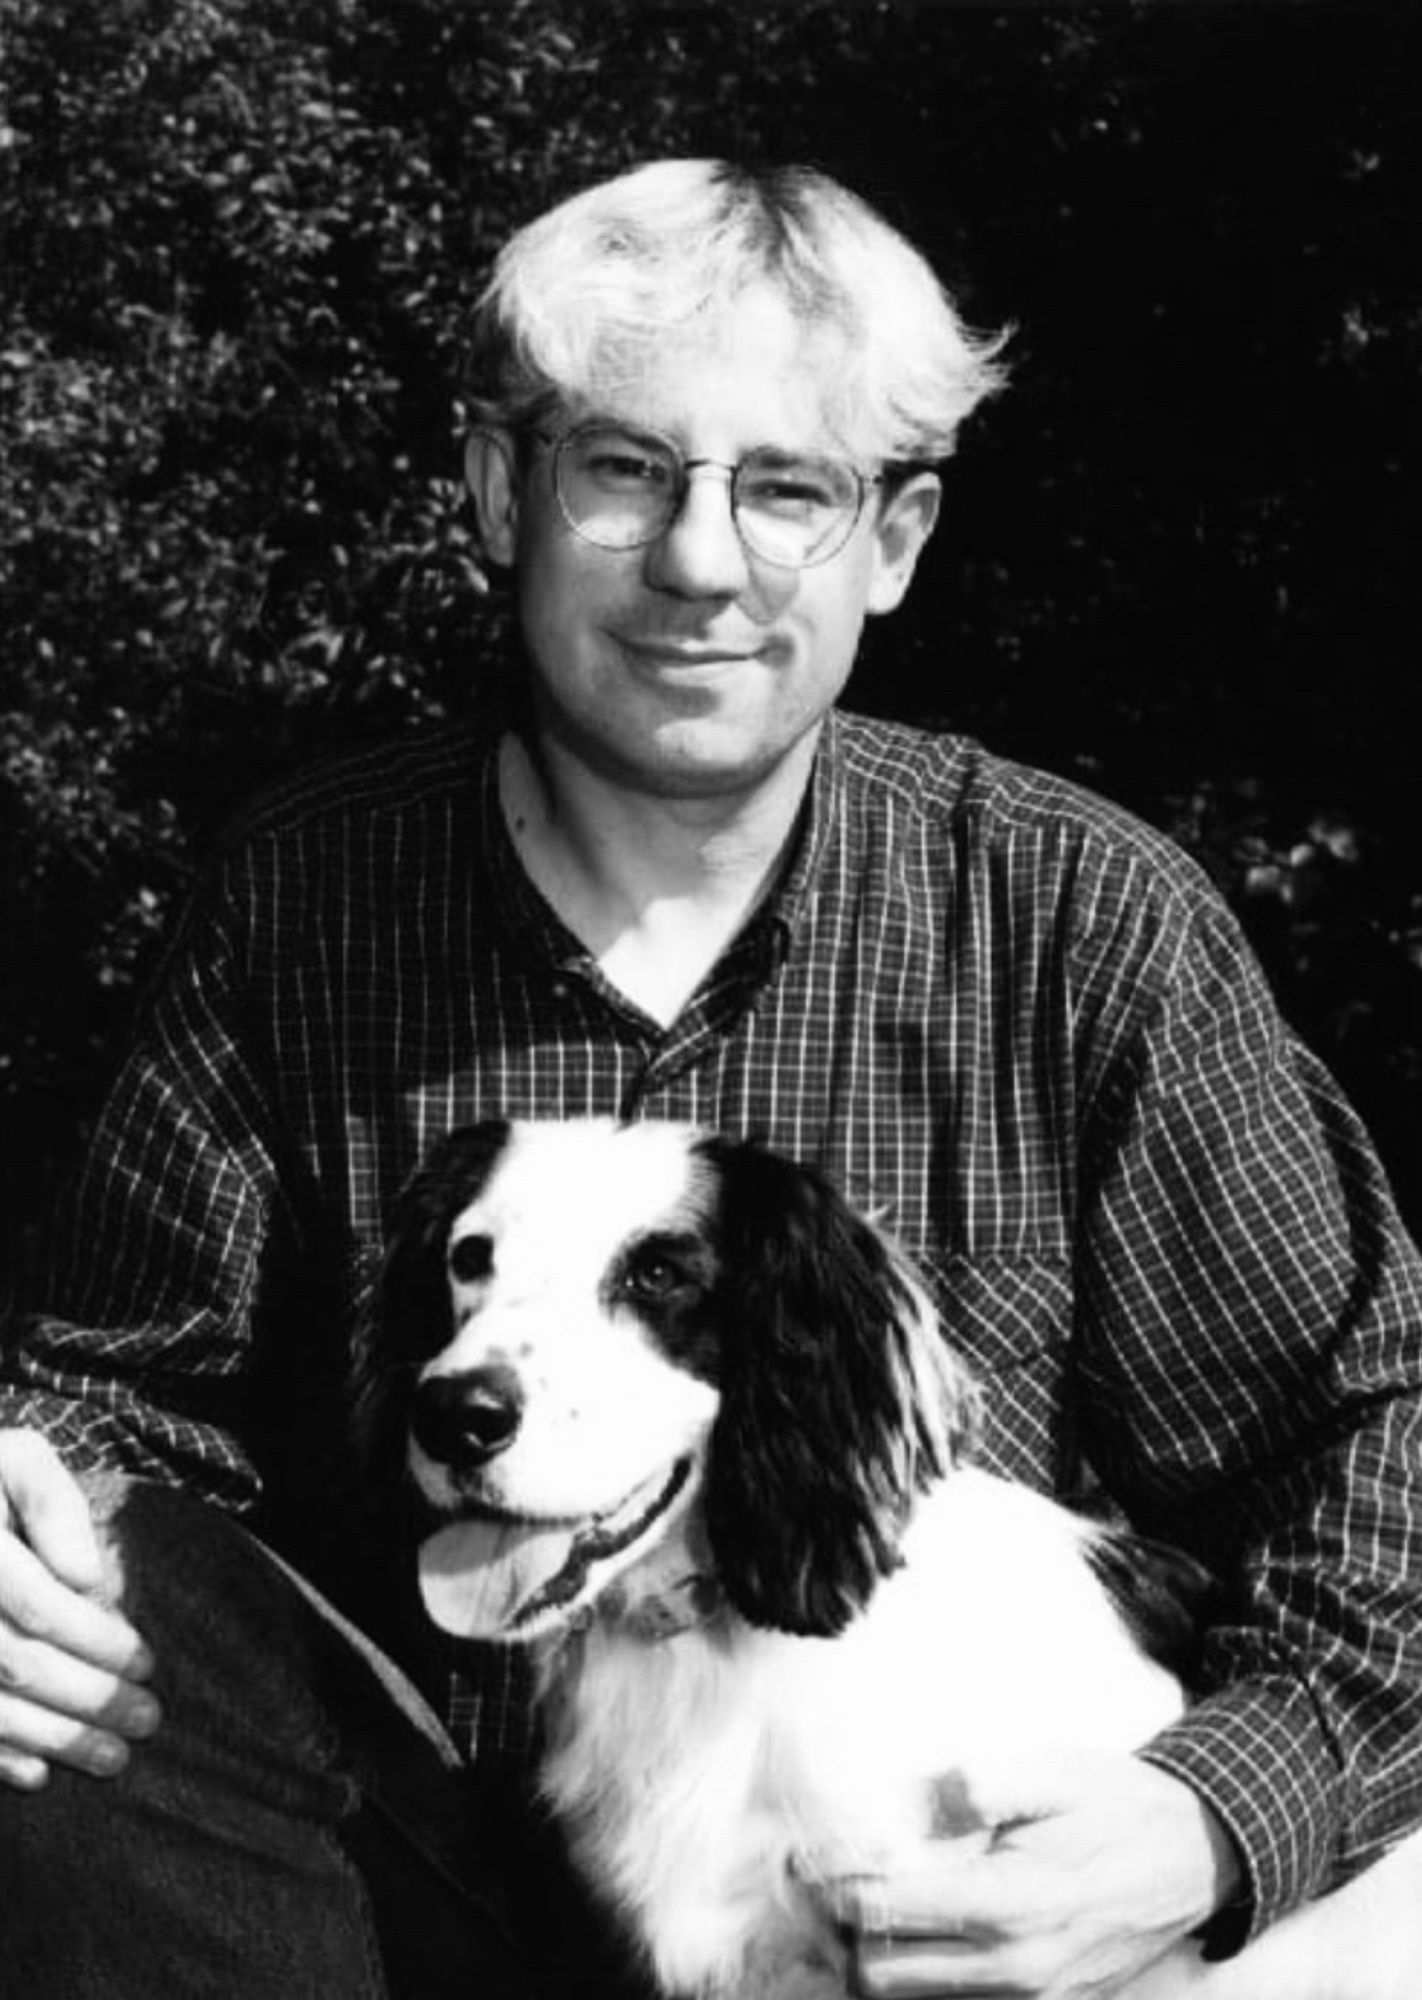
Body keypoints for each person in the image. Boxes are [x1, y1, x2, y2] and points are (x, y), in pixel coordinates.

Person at [1, 156, 1420, 2000]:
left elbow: (1377, 1438)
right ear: (498, 490)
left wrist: (1210, 1821)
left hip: (934, 1912)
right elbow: (122, 1400)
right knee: (58, 1630)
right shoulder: (304, 897)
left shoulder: (1074, 914)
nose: (698, 561)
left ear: (894, 540)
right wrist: (28, 1507)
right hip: (420, 1872)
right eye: (622, 470)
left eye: (787, 491)